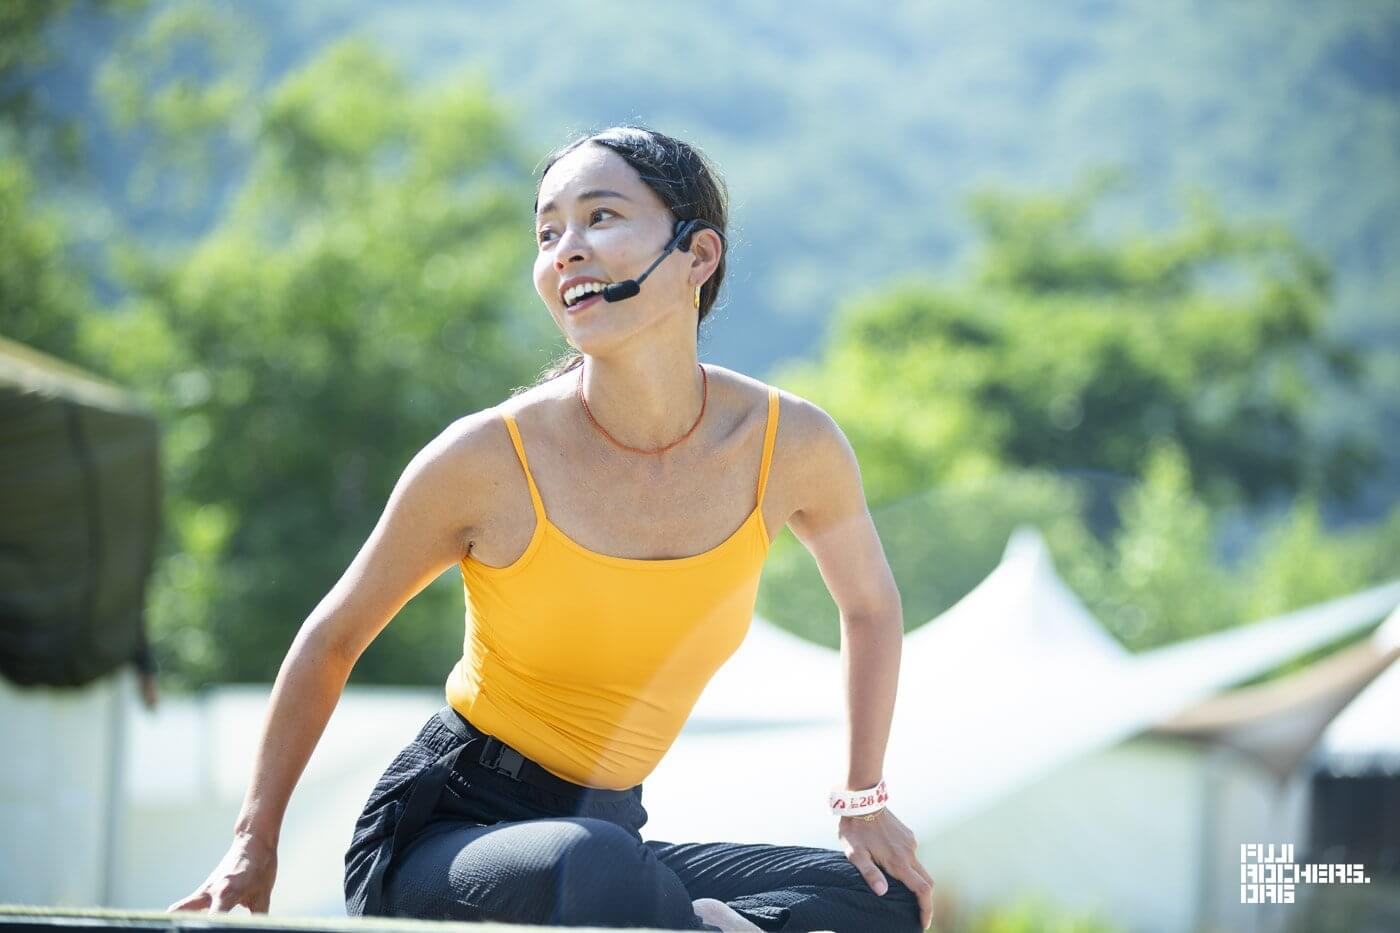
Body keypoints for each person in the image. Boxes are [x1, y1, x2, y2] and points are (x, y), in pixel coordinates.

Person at [168, 125, 933, 932]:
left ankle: (695, 922)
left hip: (607, 834)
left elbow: (871, 607)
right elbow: (331, 640)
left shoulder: (791, 444)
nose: (565, 249)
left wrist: (863, 799)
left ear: (698, 256)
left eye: (600, 217)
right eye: (546, 231)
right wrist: (253, 844)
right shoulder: (487, 458)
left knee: (877, 898)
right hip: (448, 833)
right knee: (591, 866)